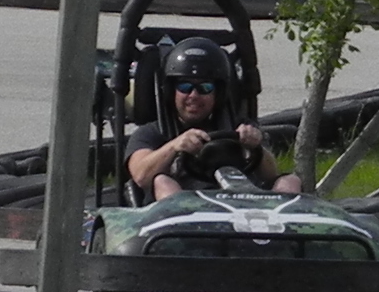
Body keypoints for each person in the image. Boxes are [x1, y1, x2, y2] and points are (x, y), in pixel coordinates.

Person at [125, 41, 296, 200]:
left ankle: (290, 222)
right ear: (172, 92)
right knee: (162, 181)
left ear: (218, 94)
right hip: (185, 210)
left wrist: (256, 147)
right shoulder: (150, 133)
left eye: (205, 88)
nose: (194, 95)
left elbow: (271, 175)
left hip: (240, 202)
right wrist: (174, 147)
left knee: (290, 181)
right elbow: (141, 176)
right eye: (185, 87)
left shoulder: (240, 128)